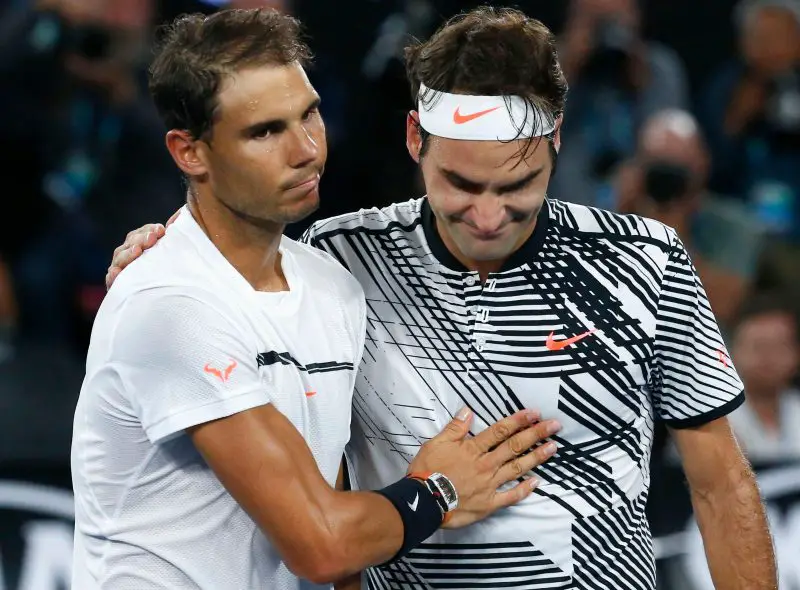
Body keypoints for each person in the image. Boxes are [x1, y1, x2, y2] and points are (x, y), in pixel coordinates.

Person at [110, 6, 778, 589]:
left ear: (556, 141)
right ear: (414, 139)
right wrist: (165, 251)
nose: (487, 216)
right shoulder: (334, 262)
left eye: (516, 185)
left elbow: (721, 484)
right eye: (461, 184)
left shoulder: (646, 261)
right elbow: (322, 486)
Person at [72, 9, 560, 590]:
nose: (306, 149)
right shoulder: (171, 303)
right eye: (264, 132)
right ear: (189, 152)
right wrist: (440, 491)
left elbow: (339, 534)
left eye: (309, 114)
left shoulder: (331, 285)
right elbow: (320, 543)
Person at [615, 109, 765, 329]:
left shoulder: (734, 226)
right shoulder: (613, 215)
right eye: (658, 165)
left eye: (678, 168)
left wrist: (672, 234)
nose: (667, 180)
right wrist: (620, 216)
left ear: (703, 165)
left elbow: (724, 306)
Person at [548, 0, 689, 209]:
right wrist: (568, 69)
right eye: (597, 19)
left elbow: (669, 140)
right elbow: (532, 136)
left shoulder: (656, 67)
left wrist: (642, 81)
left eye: (614, 19)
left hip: (636, 187)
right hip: (567, 186)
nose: (606, 32)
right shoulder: (549, 62)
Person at [727, 293, 800, 463]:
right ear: (732, 351)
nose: (768, 357)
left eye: (778, 346)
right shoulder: (710, 416)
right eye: (758, 346)